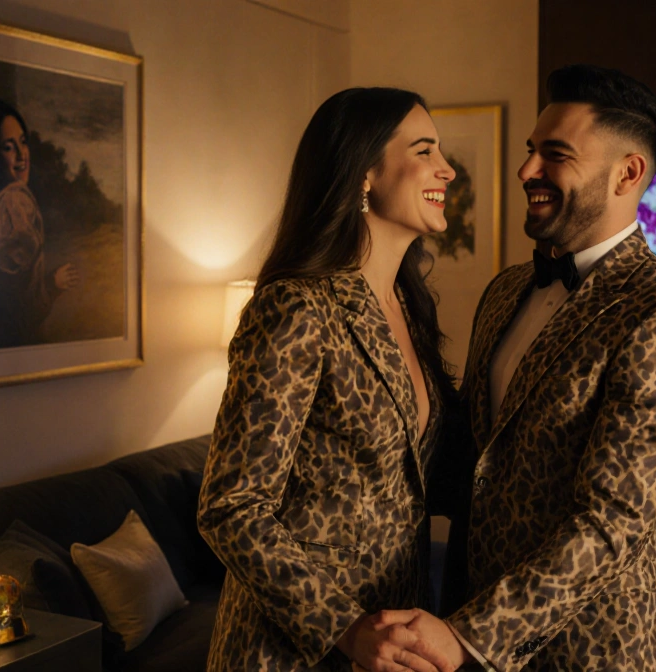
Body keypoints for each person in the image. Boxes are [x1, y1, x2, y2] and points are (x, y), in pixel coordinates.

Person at [369, 64, 656, 671]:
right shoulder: (506, 290)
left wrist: (470, 636)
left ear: (628, 173)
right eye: (532, 150)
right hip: (465, 618)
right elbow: (468, 456)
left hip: (593, 651)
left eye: (554, 154)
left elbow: (612, 522)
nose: (527, 170)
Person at [197, 87, 464, 672]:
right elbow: (230, 505)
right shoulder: (296, 307)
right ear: (364, 171)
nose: (446, 169)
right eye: (425, 150)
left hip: (396, 638)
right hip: (293, 650)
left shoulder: (410, 309)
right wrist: (342, 627)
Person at [0, 99, 79, 349]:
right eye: (9, 147)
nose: (22, 155)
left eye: (23, 142)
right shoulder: (14, 203)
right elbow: (22, 311)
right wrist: (53, 285)